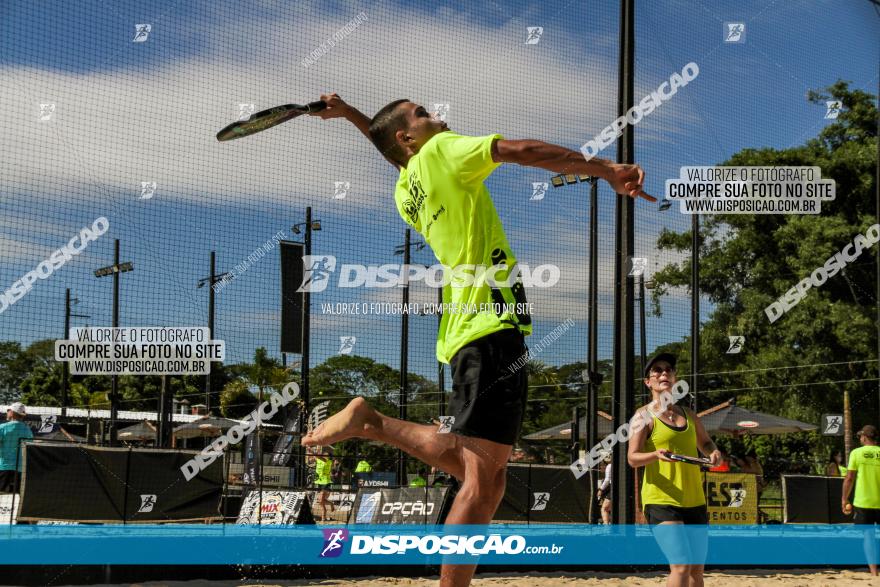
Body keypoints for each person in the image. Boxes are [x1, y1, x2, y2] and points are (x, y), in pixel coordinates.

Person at [302, 93, 654, 587]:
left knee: (487, 477)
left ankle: (374, 424)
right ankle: (372, 423)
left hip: (468, 332)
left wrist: (351, 115)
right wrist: (604, 169)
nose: (434, 115)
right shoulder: (441, 151)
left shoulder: (407, 186)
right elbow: (522, 151)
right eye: (421, 114)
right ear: (410, 137)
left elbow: (389, 146)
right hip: (489, 325)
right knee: (483, 476)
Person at [628, 353, 721, 587]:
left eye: (668, 369)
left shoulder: (688, 414)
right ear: (648, 382)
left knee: (696, 571)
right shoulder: (642, 416)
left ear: (675, 377)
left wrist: (713, 452)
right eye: (656, 370)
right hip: (661, 499)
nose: (663, 373)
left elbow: (706, 443)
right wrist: (654, 455)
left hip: (694, 499)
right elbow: (632, 458)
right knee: (680, 565)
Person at [842, 425, 880, 577]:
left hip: (863, 502)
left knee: (868, 537)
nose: (859, 439)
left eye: (860, 436)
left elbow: (849, 478)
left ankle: (874, 572)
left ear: (864, 437)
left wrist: (844, 499)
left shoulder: (857, 453)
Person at [0, 402, 33, 494]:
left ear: (12, 412)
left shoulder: (2, 427)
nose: (7, 412)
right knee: (15, 498)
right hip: (20, 469)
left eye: (8, 410)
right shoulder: (27, 429)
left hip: (4, 467)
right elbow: (30, 447)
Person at [307, 447, 335, 522]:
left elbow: (317, 456)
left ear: (328, 457)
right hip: (318, 482)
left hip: (326, 482)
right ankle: (331, 504)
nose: (324, 455)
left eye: (326, 455)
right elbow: (311, 459)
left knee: (321, 499)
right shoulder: (319, 459)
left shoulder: (328, 461)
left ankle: (323, 517)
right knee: (320, 501)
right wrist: (309, 453)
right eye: (324, 454)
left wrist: (311, 451)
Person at [597, 454, 612, 525]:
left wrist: (600, 489)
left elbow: (607, 480)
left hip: (612, 489)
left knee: (604, 508)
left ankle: (607, 528)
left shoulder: (609, 466)